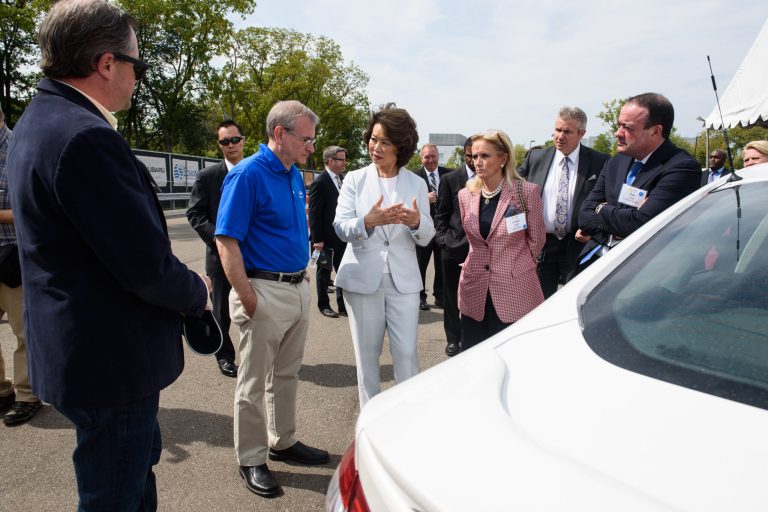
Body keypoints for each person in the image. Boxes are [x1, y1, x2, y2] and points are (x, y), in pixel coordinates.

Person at [6, 0, 209, 509]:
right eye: (136, 64)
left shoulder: (40, 119)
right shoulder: (83, 137)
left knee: (129, 481)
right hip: (108, 360)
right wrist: (195, 291)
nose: (139, 77)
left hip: (82, 352)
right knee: (114, 495)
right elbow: (142, 265)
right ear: (106, 63)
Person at [215, 100, 329, 498]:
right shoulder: (247, 175)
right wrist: (247, 297)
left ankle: (283, 441)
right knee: (252, 381)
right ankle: (251, 457)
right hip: (263, 290)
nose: (311, 146)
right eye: (306, 138)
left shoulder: (293, 174)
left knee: (286, 373)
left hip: (297, 287)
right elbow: (226, 241)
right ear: (279, 133)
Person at [333, 104, 434, 408]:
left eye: (385, 142)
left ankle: (406, 420)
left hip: (403, 281)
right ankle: (369, 424)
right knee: (367, 358)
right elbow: (340, 226)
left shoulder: (416, 183)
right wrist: (368, 221)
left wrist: (415, 222)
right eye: (373, 139)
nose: (375, 147)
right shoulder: (354, 179)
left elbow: (428, 234)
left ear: (401, 148)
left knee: (406, 355)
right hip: (363, 279)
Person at [577, 93, 701, 265]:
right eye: (619, 125)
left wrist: (600, 209)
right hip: (596, 259)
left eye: (627, 128)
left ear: (655, 131)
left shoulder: (681, 168)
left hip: (640, 269)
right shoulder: (615, 162)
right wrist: (620, 219)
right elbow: (583, 215)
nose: (617, 133)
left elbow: (641, 224)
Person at [458, 130, 546, 351]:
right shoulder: (465, 195)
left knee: (512, 356)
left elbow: (537, 240)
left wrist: (515, 266)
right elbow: (473, 241)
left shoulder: (526, 192)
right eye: (474, 156)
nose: (478, 162)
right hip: (474, 288)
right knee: (474, 356)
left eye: (485, 156)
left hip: (514, 289)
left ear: (503, 158)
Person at [518, 106, 609, 298]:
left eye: (567, 131)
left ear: (581, 133)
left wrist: (595, 233)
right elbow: (514, 189)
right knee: (539, 303)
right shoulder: (536, 158)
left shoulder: (600, 162)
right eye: (557, 130)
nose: (560, 136)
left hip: (578, 244)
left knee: (574, 301)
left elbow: (607, 200)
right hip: (542, 244)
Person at [186, 120, 245, 378]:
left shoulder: (256, 171)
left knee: (257, 308)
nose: (231, 145)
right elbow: (195, 214)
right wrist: (219, 240)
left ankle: (259, 355)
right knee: (221, 311)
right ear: (219, 145)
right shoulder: (208, 176)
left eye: (235, 139)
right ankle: (224, 356)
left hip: (254, 256)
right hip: (220, 258)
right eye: (225, 141)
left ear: (243, 140)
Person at [0, 105, 42, 427]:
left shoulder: (18, 150)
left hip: (13, 258)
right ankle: (3, 391)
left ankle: (27, 395)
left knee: (24, 333)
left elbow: (30, 209)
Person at [434, 137, 475, 356]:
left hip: (480, 251)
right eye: (469, 155)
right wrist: (443, 240)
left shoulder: (492, 178)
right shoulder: (450, 179)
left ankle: (472, 336)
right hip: (452, 248)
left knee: (476, 297)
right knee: (451, 298)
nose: (473, 160)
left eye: (476, 155)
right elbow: (441, 214)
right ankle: (453, 338)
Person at [308, 145, 348, 318]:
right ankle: (324, 305)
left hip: (341, 237)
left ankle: (343, 305)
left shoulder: (343, 179)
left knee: (344, 273)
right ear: (330, 160)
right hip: (324, 239)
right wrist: (317, 240)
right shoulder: (320, 182)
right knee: (324, 273)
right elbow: (315, 214)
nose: (345, 163)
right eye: (341, 159)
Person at [415, 143, 452, 311]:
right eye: (426, 156)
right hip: (423, 229)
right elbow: (409, 201)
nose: (430, 160)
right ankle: (420, 297)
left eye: (433, 156)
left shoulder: (449, 174)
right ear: (421, 158)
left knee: (442, 264)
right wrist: (424, 198)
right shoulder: (414, 177)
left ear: (438, 156)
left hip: (443, 229)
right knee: (420, 264)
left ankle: (440, 295)